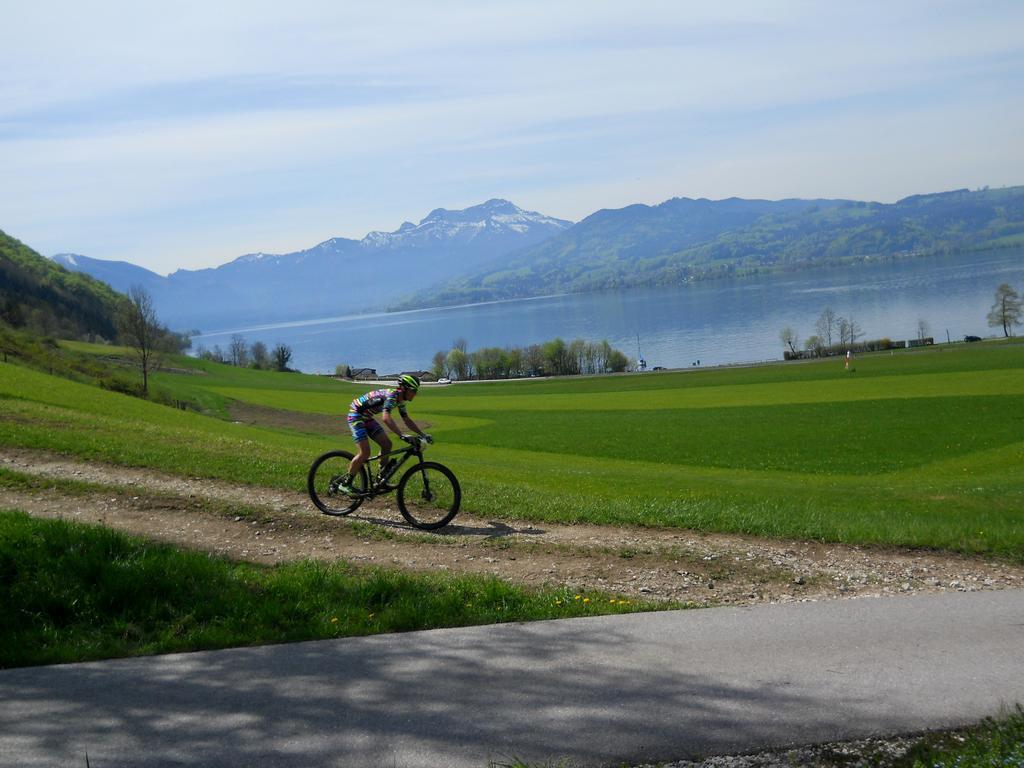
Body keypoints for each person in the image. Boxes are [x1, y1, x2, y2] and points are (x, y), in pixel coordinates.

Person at [337, 374, 430, 495]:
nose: (415, 394)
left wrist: (423, 434)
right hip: (356, 415)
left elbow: (406, 419)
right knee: (365, 452)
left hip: (367, 417)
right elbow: (386, 418)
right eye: (413, 390)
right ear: (403, 389)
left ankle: (381, 479)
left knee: (387, 444)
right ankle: (345, 484)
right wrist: (402, 435)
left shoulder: (400, 400)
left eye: (416, 391)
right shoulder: (392, 396)